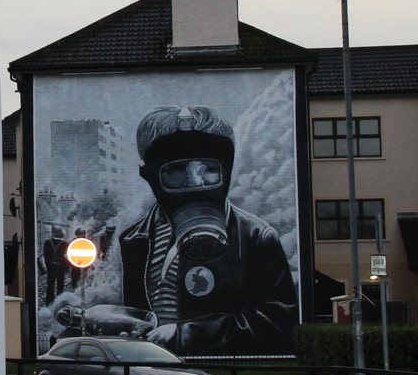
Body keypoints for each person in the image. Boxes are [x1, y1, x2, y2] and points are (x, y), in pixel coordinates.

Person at [117, 105, 296, 356]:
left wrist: (187, 336)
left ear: (227, 170)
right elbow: (137, 313)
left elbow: (278, 322)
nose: (195, 183)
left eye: (209, 169)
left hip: (217, 367)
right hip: (154, 366)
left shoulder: (255, 237)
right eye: (177, 170)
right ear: (149, 175)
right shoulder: (135, 240)